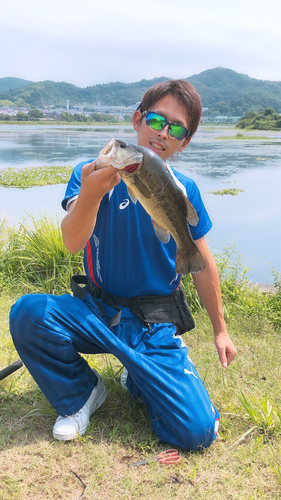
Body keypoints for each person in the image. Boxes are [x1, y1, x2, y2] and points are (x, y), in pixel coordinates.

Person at [10, 80, 237, 450]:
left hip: (154, 323)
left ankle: (139, 376)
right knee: (29, 313)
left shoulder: (185, 189)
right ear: (137, 119)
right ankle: (82, 394)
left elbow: (202, 263)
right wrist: (91, 194)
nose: (163, 132)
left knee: (196, 433)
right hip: (96, 310)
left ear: (185, 141)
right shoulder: (90, 173)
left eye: (176, 128)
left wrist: (221, 330)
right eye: (156, 120)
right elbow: (72, 242)